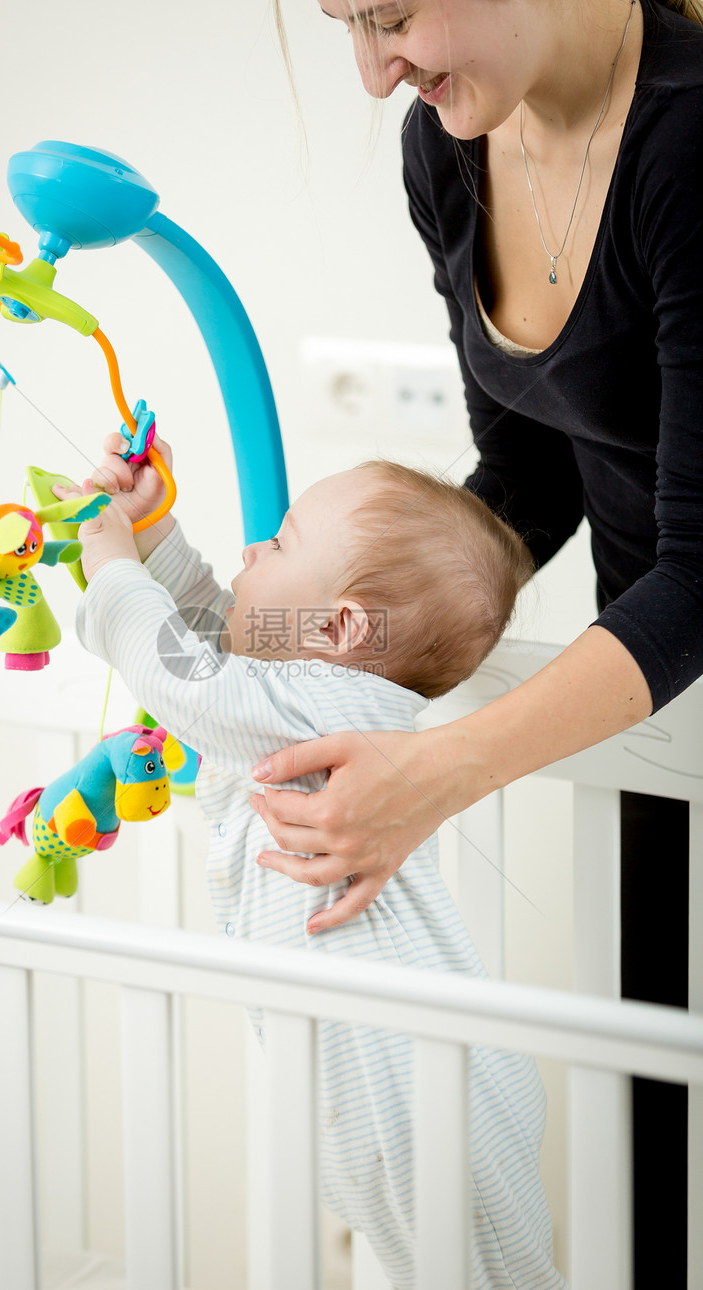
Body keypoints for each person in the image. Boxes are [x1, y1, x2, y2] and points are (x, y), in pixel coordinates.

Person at [260, 2, 702, 1285]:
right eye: (346, 25)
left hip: (663, 654)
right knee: (652, 1158)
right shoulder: (448, 147)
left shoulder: (682, 144)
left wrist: (438, 771)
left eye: (389, 14)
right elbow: (525, 477)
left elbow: (699, 571)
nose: (373, 70)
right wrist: (283, 642)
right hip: (651, 712)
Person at [59, 438, 565, 1289]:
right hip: (397, 1068)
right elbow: (228, 640)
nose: (255, 548)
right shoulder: (310, 691)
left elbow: (186, 674)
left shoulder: (317, 705)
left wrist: (113, 565)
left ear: (340, 629)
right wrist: (153, 532)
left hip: (410, 1080)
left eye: (282, 542)